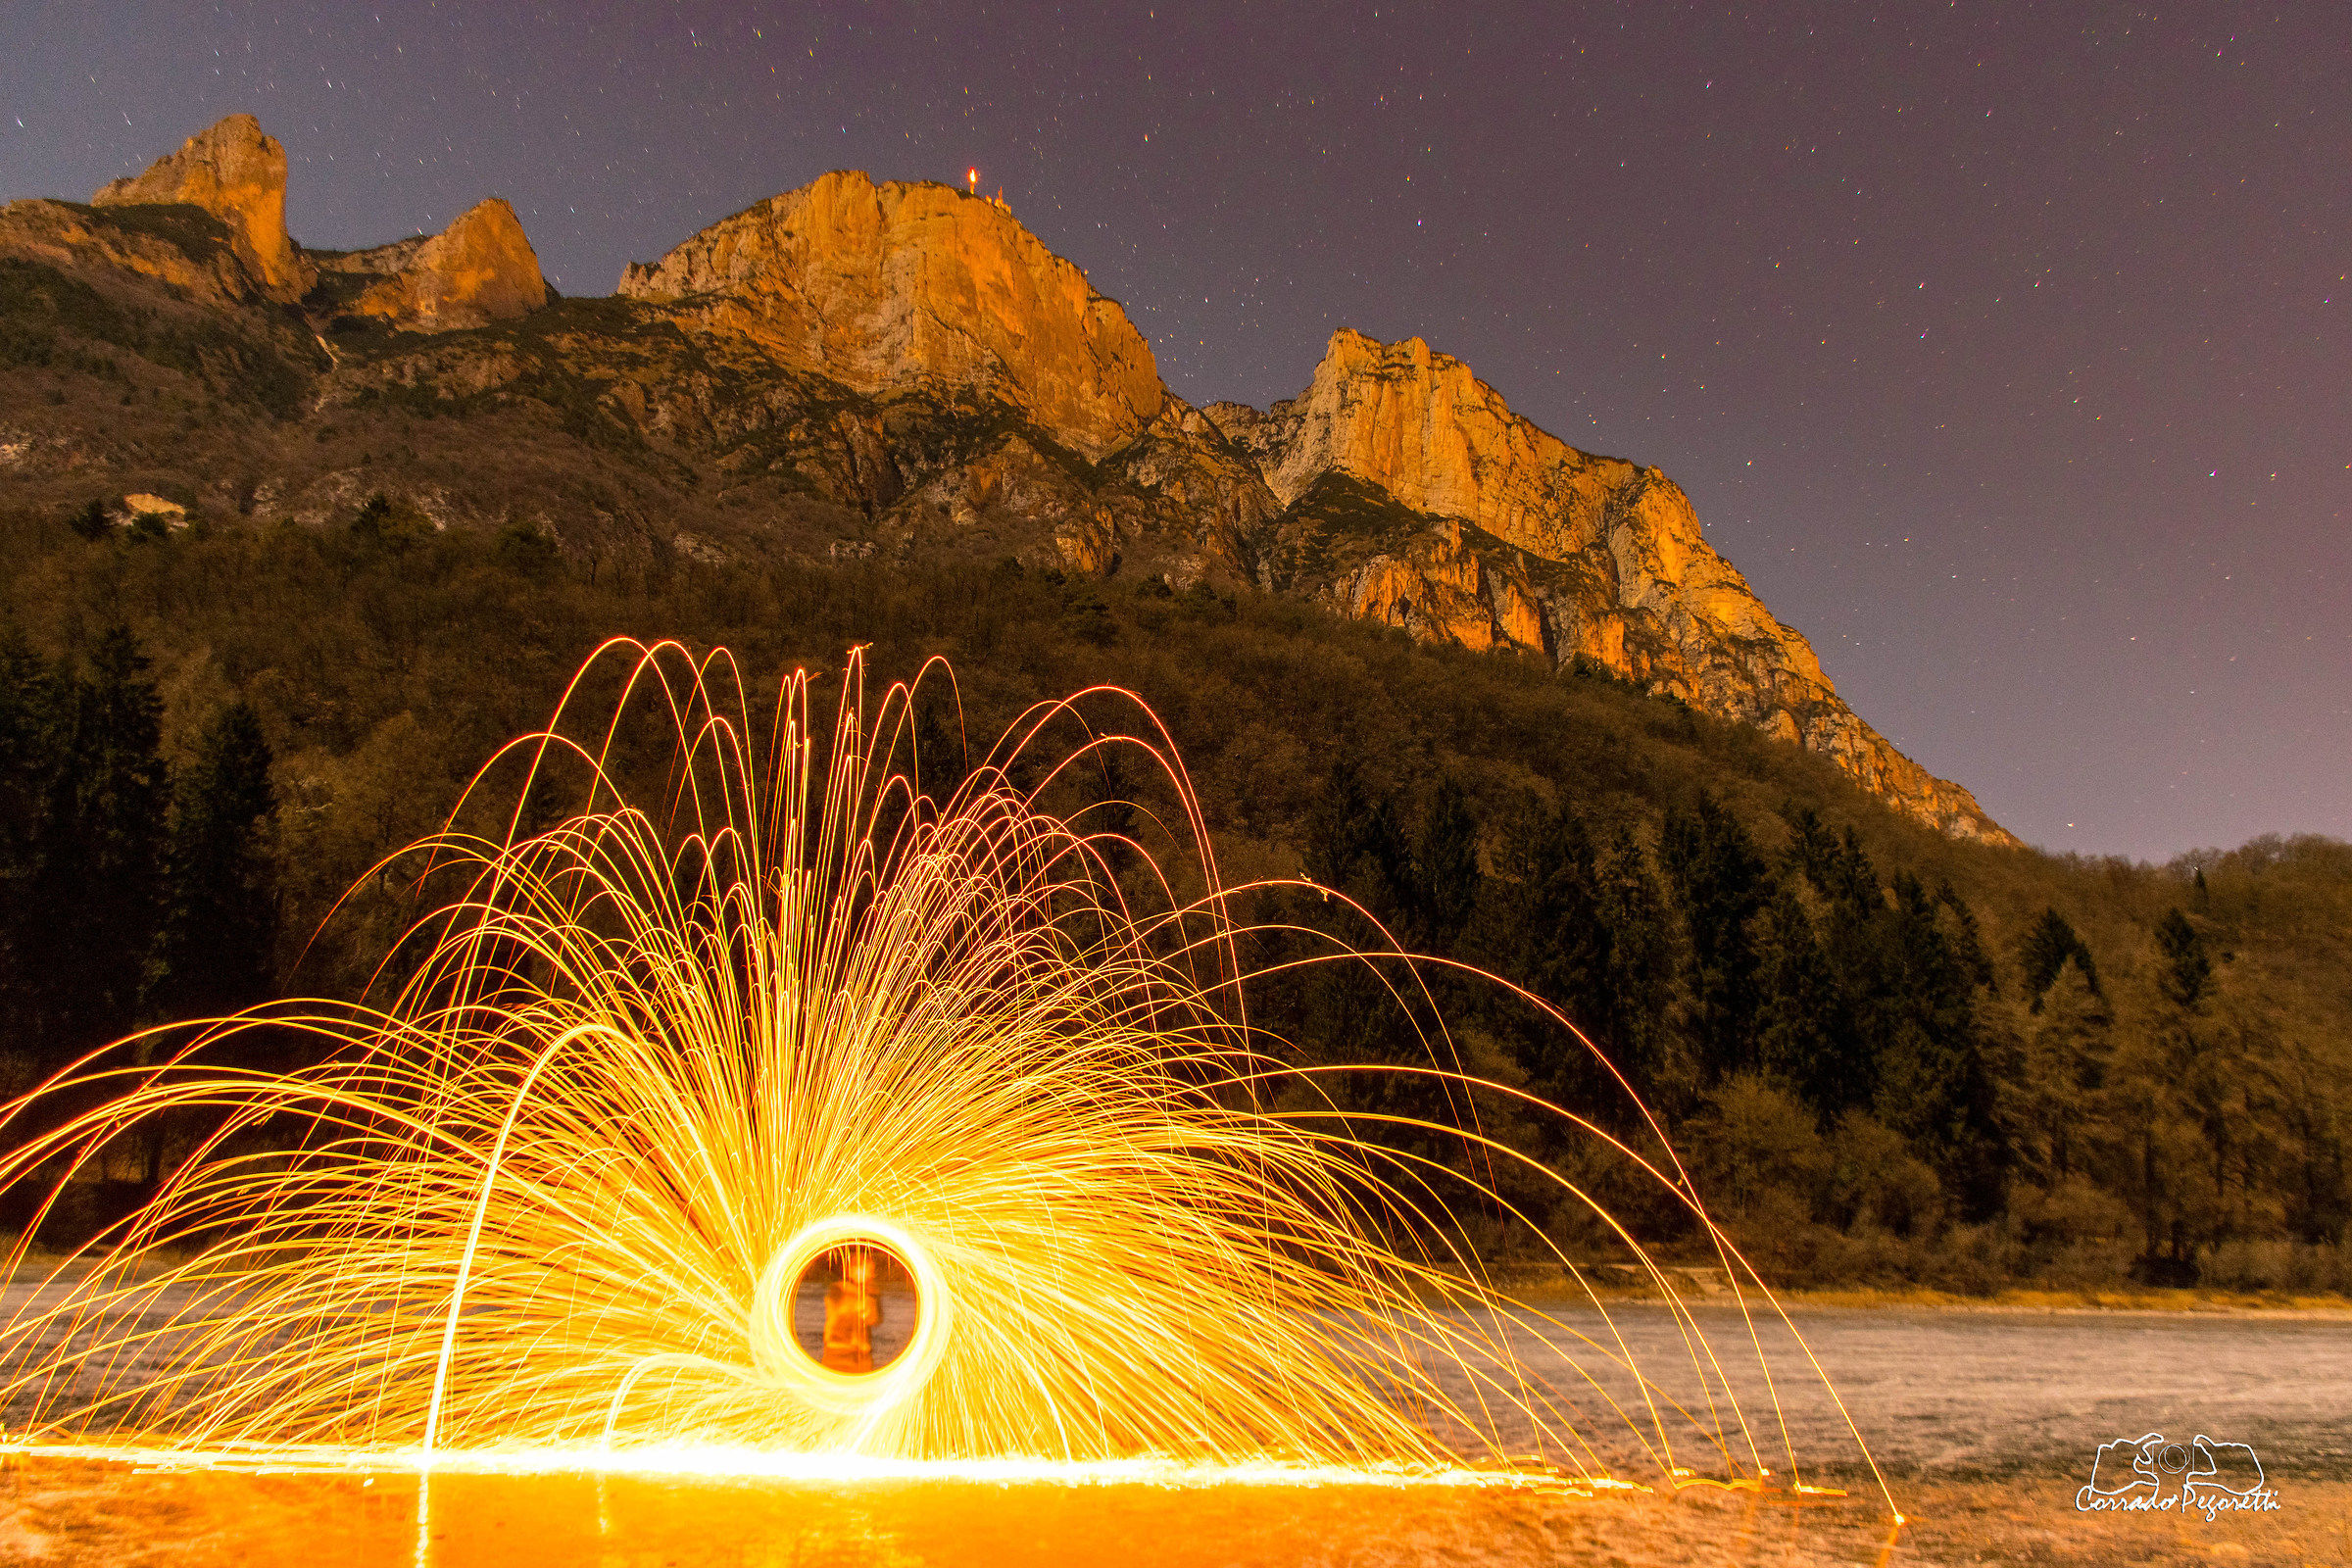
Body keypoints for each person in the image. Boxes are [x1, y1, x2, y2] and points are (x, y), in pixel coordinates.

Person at [821, 1246, 882, 1373]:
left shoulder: (870, 1294)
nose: (871, 1274)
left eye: (872, 1270)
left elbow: (875, 1320)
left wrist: (870, 1303)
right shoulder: (838, 1289)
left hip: (861, 1356)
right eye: (867, 1270)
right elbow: (837, 1307)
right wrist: (862, 1300)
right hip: (838, 1354)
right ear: (852, 1271)